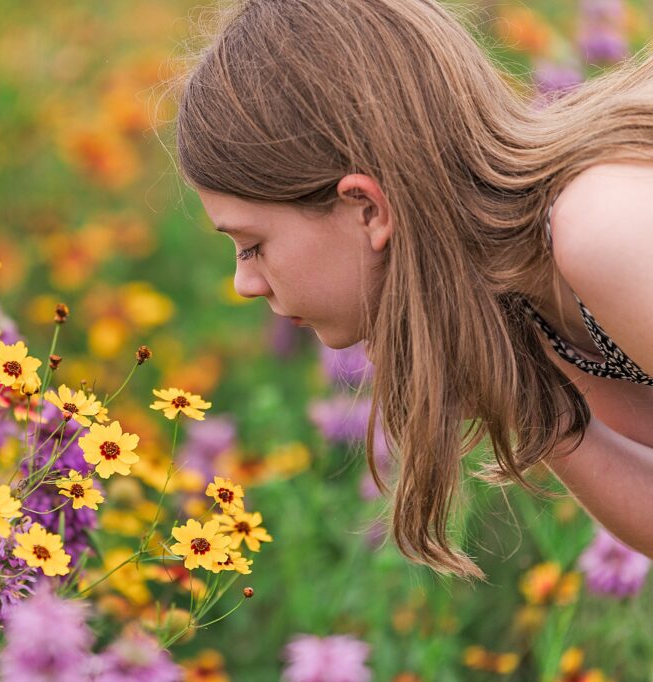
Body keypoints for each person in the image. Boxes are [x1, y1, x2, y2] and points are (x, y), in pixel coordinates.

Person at [171, 0, 653, 580]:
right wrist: (543, 412)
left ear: (367, 208)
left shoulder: (605, 230)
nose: (243, 283)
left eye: (251, 244)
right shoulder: (526, 284)